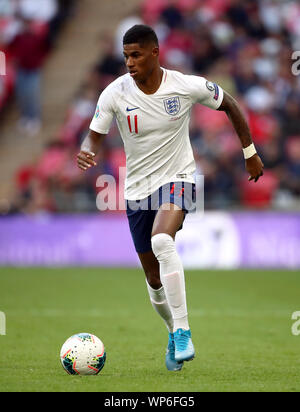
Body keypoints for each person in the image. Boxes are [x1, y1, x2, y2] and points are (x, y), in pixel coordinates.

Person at [76, 24, 264, 372]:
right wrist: (86, 152)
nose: (129, 62)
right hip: (136, 190)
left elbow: (231, 104)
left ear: (154, 52)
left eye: (135, 55)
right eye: (126, 56)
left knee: (162, 240)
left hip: (178, 178)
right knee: (153, 279)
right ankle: (171, 332)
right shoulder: (114, 93)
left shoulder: (185, 85)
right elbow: (94, 136)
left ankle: (183, 330)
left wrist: (249, 152)